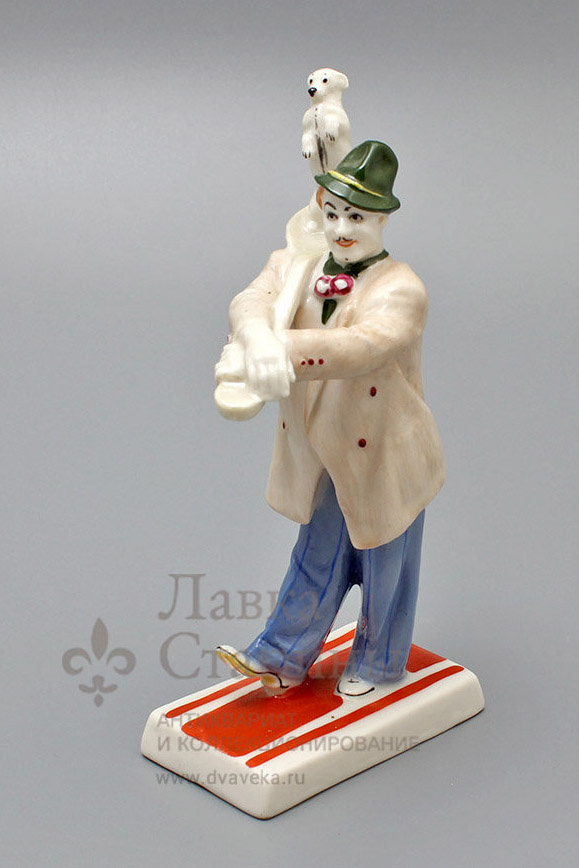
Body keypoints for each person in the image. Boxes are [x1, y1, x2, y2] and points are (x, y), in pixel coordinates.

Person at [216, 141, 445, 696]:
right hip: (322, 449)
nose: (341, 228)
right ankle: (279, 655)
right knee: (315, 555)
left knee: (387, 567)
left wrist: (282, 350)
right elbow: (250, 299)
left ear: (383, 220)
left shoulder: (401, 289)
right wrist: (257, 337)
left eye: (357, 217)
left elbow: (361, 349)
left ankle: (379, 664)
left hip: (386, 454)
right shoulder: (296, 264)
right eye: (334, 213)